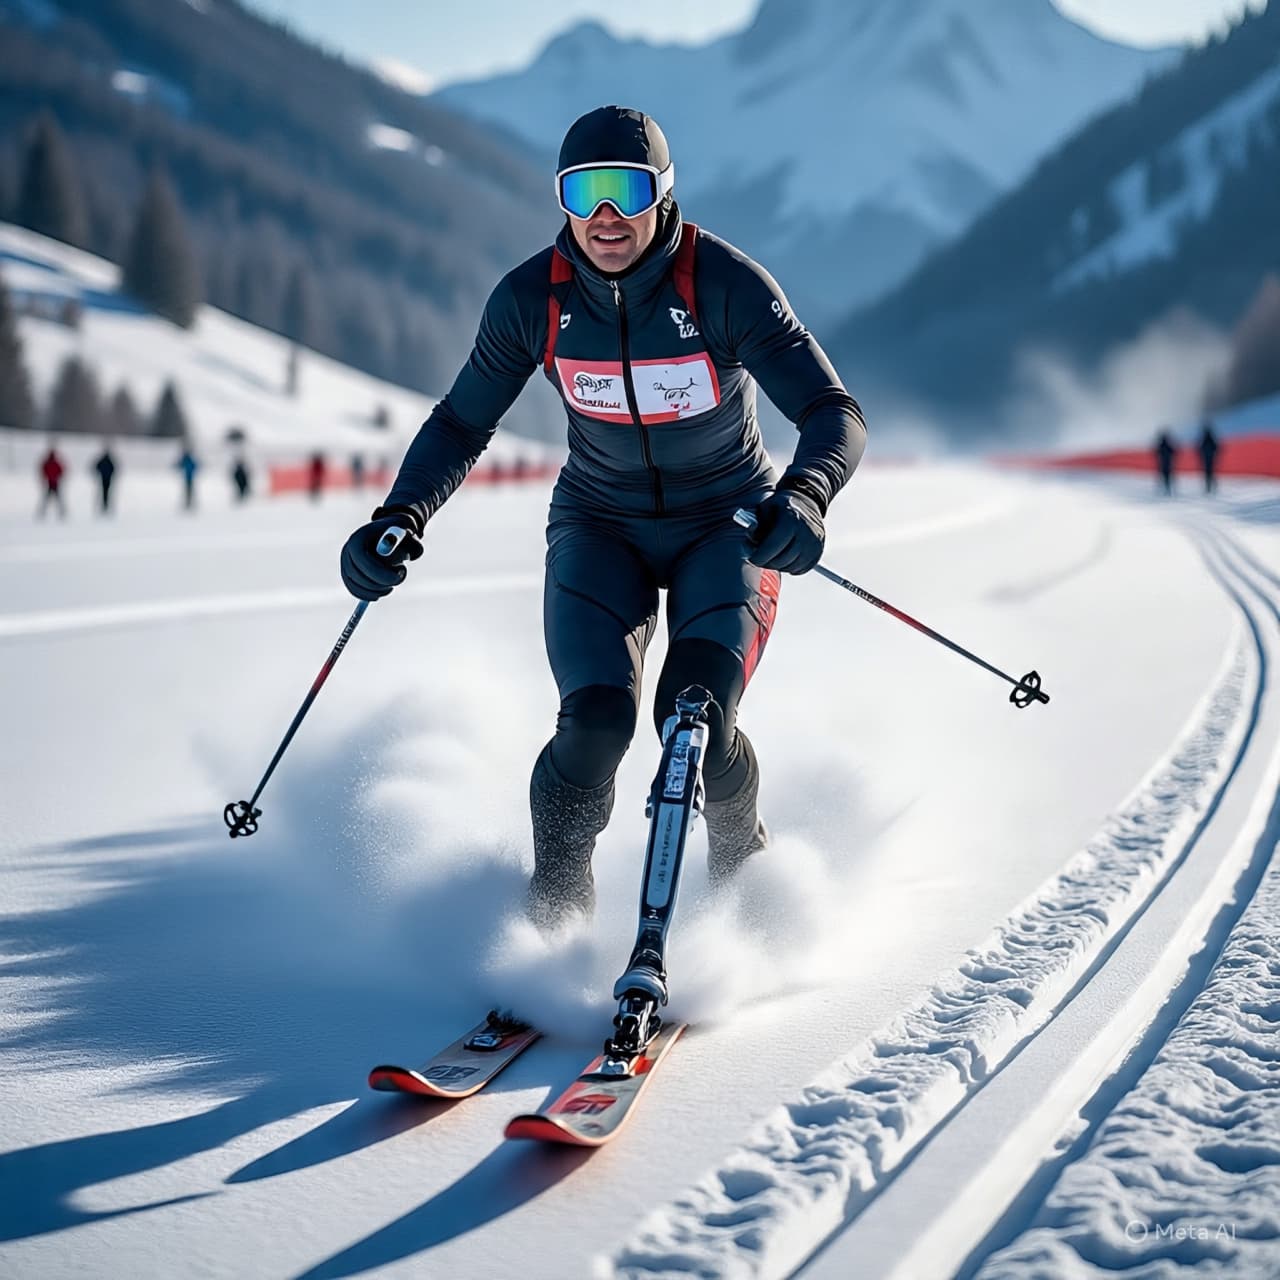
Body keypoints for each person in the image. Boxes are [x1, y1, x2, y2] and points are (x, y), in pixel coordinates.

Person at [340, 106, 866, 928]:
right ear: (562, 200)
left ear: (664, 193)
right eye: (584, 194)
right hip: (599, 525)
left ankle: (741, 872)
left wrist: (805, 494)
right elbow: (461, 423)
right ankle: (555, 913)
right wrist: (399, 515)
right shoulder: (533, 300)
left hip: (725, 524)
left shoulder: (724, 285)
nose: (607, 216)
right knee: (594, 724)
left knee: (694, 719)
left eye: (629, 191)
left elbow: (833, 411)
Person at [38, 443, 67, 519]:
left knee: (54, 499)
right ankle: (61, 512)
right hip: (52, 483)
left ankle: (61, 512)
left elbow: (60, 470)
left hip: (53, 483)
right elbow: (61, 470)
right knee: (53, 499)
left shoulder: (51, 463)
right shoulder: (52, 463)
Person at [92, 443, 117, 515]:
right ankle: (104, 506)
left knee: (105, 493)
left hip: (105, 478)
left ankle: (105, 506)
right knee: (105, 493)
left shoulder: (106, 460)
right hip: (105, 478)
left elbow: (113, 469)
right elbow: (97, 467)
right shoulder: (108, 460)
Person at [1198, 419, 1220, 494]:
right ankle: (1210, 487)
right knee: (1210, 473)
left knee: (1208, 473)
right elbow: (1216, 447)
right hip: (1210, 459)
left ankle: (1208, 487)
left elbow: (1200, 449)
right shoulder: (1210, 438)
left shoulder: (1205, 439)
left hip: (1207, 459)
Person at [1154, 430, 1176, 496]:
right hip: (1168, 465)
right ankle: (1167, 490)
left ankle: (1162, 490)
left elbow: (1156, 453)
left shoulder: (1161, 446)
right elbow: (1174, 453)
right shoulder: (1168, 446)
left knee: (1162, 478)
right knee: (1167, 478)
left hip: (1162, 465)